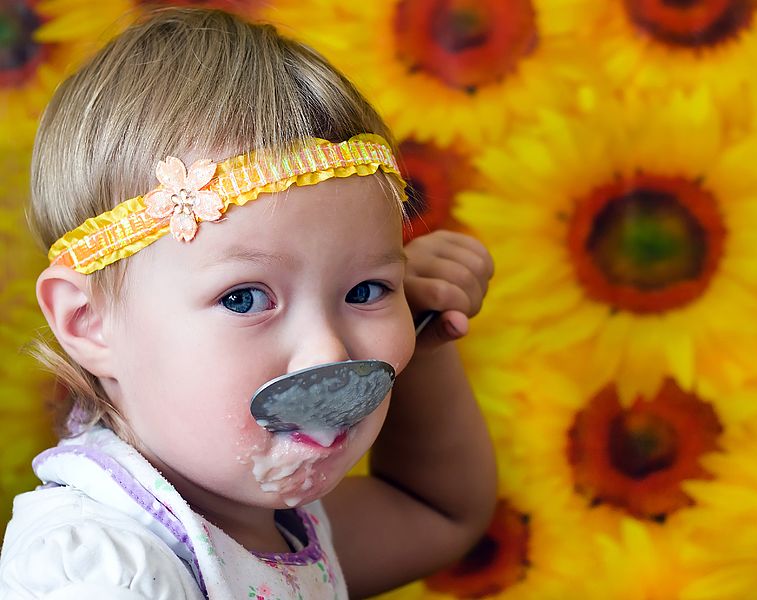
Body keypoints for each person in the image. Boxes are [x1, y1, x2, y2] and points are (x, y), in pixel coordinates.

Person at [0, 7, 497, 600]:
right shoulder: (104, 567)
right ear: (91, 322)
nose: (328, 353)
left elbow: (437, 513)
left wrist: (427, 337)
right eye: (243, 298)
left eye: (366, 290)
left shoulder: (274, 523)